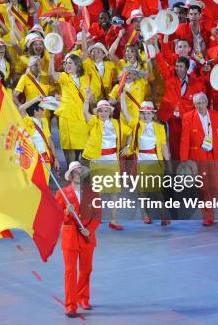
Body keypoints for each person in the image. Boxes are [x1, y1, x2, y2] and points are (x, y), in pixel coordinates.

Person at [56, 161, 100, 318]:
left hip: (87, 237)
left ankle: (83, 298)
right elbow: (57, 217)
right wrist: (67, 212)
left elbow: (97, 214)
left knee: (86, 270)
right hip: (70, 238)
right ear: (71, 175)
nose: (79, 173)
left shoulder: (92, 192)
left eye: (80, 171)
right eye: (76, 171)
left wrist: (90, 229)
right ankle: (70, 304)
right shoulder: (62, 194)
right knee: (70, 272)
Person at [180, 92, 218, 226]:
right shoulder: (188, 117)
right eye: (197, 103)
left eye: (202, 103)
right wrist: (184, 160)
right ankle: (207, 215)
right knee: (204, 188)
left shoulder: (217, 116)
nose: (200, 106)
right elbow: (185, 140)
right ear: (194, 104)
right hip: (198, 157)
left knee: (217, 186)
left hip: (215, 156)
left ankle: (210, 209)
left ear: (207, 103)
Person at [82, 95, 130, 230]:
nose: (103, 113)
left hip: (112, 159)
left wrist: (128, 146)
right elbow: (85, 112)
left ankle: (113, 220)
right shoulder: (94, 122)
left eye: (106, 110)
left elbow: (131, 131)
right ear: (97, 112)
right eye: (101, 111)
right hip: (98, 159)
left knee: (114, 191)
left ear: (110, 112)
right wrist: (86, 99)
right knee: (98, 191)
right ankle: (95, 217)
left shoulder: (117, 123)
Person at [125, 101, 172, 225]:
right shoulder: (136, 125)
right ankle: (145, 214)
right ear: (140, 114)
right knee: (142, 191)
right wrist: (122, 96)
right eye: (143, 113)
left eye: (148, 113)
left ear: (153, 114)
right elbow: (125, 113)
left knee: (157, 191)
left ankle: (163, 216)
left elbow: (163, 147)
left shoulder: (160, 127)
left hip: (155, 161)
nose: (146, 116)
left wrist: (169, 164)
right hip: (141, 161)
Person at [48, 53, 90, 166]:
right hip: (67, 117)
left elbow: (89, 98)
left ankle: (84, 175)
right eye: (66, 63)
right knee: (69, 147)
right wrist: (51, 58)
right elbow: (52, 74)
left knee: (84, 146)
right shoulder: (64, 76)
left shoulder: (85, 78)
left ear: (77, 65)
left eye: (70, 63)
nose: (67, 65)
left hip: (82, 117)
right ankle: (71, 172)